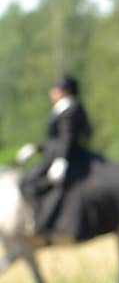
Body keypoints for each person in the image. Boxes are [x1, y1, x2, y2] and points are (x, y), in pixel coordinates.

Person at [17, 75, 94, 240]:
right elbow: (56, 140)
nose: (52, 92)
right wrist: (36, 148)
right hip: (55, 154)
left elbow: (67, 138)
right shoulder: (63, 108)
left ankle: (40, 222)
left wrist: (61, 160)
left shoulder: (69, 108)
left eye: (56, 89)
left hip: (64, 157)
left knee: (28, 181)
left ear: (65, 91)